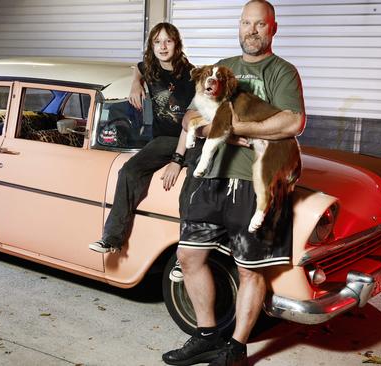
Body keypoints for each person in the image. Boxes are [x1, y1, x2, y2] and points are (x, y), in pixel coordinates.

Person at [162, 1, 305, 365]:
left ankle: (236, 348)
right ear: (239, 26)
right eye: (245, 23)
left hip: (250, 181)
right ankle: (207, 334)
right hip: (210, 178)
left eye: (259, 24)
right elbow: (191, 117)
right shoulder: (223, 68)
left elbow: (291, 123)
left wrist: (233, 128)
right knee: (189, 255)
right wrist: (210, 126)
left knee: (249, 268)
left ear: (273, 28)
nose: (251, 30)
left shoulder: (283, 72)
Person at [89, 22, 196, 253]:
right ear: (151, 46)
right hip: (162, 140)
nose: (163, 46)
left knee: (193, 183)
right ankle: (111, 238)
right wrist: (135, 84)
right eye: (157, 42)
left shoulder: (191, 73)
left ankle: (187, 252)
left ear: (176, 44)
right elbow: (137, 68)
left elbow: (196, 116)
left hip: (190, 139)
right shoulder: (149, 68)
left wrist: (177, 162)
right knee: (128, 171)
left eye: (168, 41)